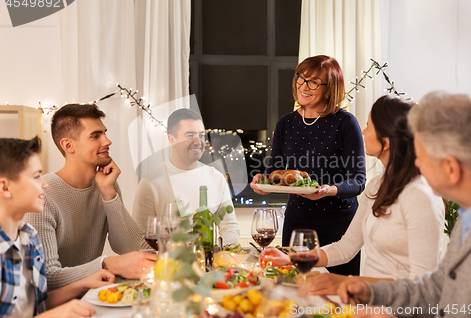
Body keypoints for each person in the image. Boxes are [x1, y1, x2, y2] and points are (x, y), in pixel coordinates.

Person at [336, 91, 471, 317]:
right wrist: (371, 292)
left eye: (422, 157)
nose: (415, 163)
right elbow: (436, 287)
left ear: (451, 169)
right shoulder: (469, 217)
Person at [260, 95, 445, 294]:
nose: (362, 132)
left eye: (368, 127)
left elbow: (424, 287)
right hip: (368, 306)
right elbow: (346, 247)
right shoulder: (376, 187)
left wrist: (344, 283)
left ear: (387, 140)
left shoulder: (421, 197)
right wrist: (291, 258)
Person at [250, 55, 366, 275]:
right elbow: (273, 173)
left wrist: (329, 190)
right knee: (293, 291)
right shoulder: (286, 123)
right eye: (300, 78)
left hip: (339, 225)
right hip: (298, 223)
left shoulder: (346, 123)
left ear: (330, 88)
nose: (303, 86)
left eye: (313, 82)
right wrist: (262, 181)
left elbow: (358, 181)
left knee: (337, 301)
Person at [24, 103, 155, 291]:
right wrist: (108, 264)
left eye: (104, 133)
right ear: (68, 145)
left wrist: (109, 193)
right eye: (96, 136)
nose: (107, 141)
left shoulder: (105, 185)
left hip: (92, 297)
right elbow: (47, 278)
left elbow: (133, 248)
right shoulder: (42, 195)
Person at [0, 137, 115, 318]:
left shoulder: (29, 237)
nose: (44, 184)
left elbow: (37, 305)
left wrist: (84, 284)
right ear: (5, 187)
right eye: (36, 176)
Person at [133, 108, 240, 246]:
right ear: (172, 140)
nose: (198, 142)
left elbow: (229, 227)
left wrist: (224, 256)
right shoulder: (150, 181)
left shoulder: (216, 178)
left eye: (201, 135)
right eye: (190, 135)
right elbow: (140, 239)